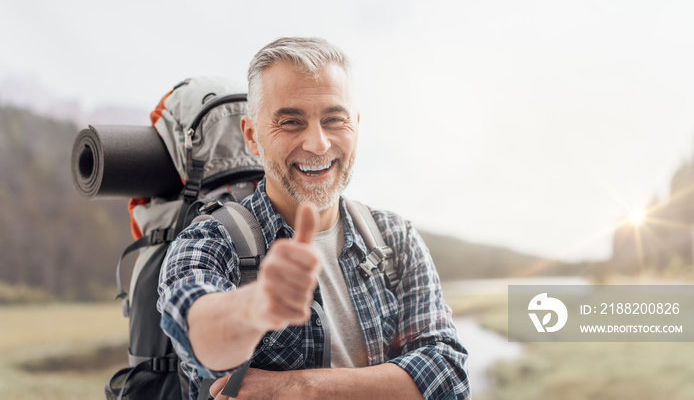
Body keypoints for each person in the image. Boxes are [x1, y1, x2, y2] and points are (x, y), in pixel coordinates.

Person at [158, 37, 469, 400]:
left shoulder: (394, 237)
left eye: (334, 119)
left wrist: (302, 389)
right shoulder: (212, 238)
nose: (318, 144)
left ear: (356, 124)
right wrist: (256, 305)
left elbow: (448, 374)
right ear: (251, 136)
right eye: (291, 122)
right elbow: (197, 330)